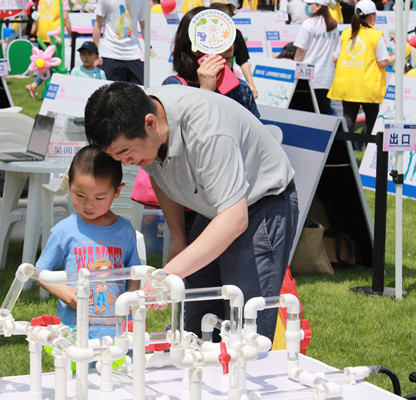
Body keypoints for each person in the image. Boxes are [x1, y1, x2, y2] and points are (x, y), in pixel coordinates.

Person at [84, 82, 298, 342]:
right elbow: (159, 174)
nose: (126, 163)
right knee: (193, 321)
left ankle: (241, 377)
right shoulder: (145, 127)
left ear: (151, 123)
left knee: (244, 324)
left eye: (126, 152)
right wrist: (178, 237)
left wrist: (167, 274)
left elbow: (235, 218)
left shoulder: (206, 130)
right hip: (212, 209)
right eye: (116, 156)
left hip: (259, 205)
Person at [36, 145, 141, 340]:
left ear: (117, 191)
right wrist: (64, 292)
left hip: (117, 334)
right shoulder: (64, 230)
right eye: (80, 195)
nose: (88, 205)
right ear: (69, 184)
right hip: (75, 333)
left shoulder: (125, 230)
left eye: (99, 197)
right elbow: (40, 272)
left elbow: (134, 272)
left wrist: (131, 299)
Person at [163, 6, 259, 118]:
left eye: (228, 39)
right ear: (195, 49)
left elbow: (255, 133)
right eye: (218, 40)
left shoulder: (241, 89)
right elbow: (180, 132)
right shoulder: (174, 87)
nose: (230, 48)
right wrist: (206, 91)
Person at [328, 0, 395, 136]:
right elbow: (383, 62)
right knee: (372, 123)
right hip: (368, 86)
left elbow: (335, 58)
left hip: (347, 85)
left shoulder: (346, 33)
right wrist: (397, 56)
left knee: (348, 122)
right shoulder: (375, 35)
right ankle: (371, 155)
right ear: (371, 16)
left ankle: (342, 153)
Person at [294, 0, 338, 115]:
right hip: (327, 76)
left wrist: (293, 69)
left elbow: (300, 51)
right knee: (324, 110)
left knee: (307, 112)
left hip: (307, 76)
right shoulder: (333, 24)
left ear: (318, 6)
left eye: (309, 5)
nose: (307, 7)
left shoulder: (308, 23)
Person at [209, 0, 258, 99]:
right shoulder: (203, 33)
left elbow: (243, 61)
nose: (221, 12)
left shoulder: (235, 34)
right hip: (206, 81)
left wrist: (251, 85)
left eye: (225, 9)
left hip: (227, 84)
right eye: (217, 8)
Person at [92, 0, 146, 85]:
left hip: (134, 54)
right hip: (111, 53)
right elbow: (98, 24)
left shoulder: (142, 1)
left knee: (139, 94)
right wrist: (95, 55)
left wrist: (149, 47)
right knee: (112, 95)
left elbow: (144, 26)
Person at [25, 0, 72, 97]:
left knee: (45, 64)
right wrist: (71, 35)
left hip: (42, 34)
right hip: (54, 36)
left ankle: (37, 86)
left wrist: (33, 32)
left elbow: (37, 17)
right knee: (54, 64)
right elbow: (65, 18)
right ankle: (43, 88)